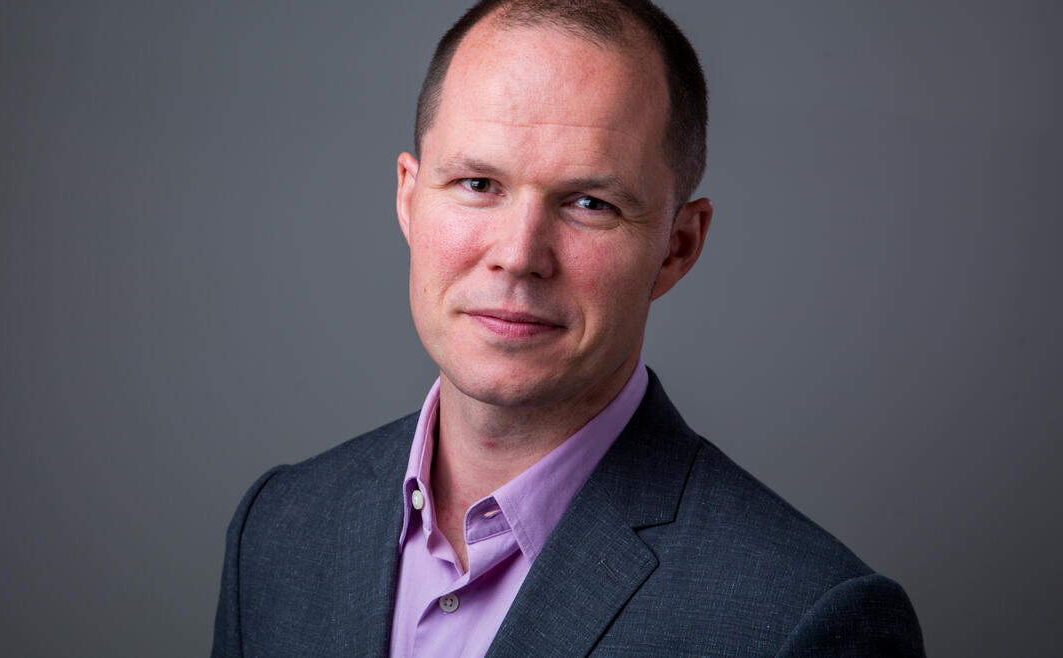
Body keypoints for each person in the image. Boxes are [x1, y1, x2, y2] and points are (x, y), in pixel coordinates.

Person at [213, 1, 925, 655]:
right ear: (408, 197)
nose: (519, 256)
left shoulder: (803, 618)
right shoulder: (280, 529)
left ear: (678, 247)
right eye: (477, 185)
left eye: (589, 202)